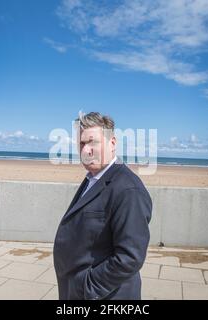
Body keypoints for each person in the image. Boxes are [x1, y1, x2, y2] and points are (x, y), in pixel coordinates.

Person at [53, 111, 152, 300]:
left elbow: (130, 257)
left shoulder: (128, 190)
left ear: (112, 143)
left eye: (93, 142)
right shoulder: (93, 178)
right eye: (82, 143)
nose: (85, 150)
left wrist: (86, 288)